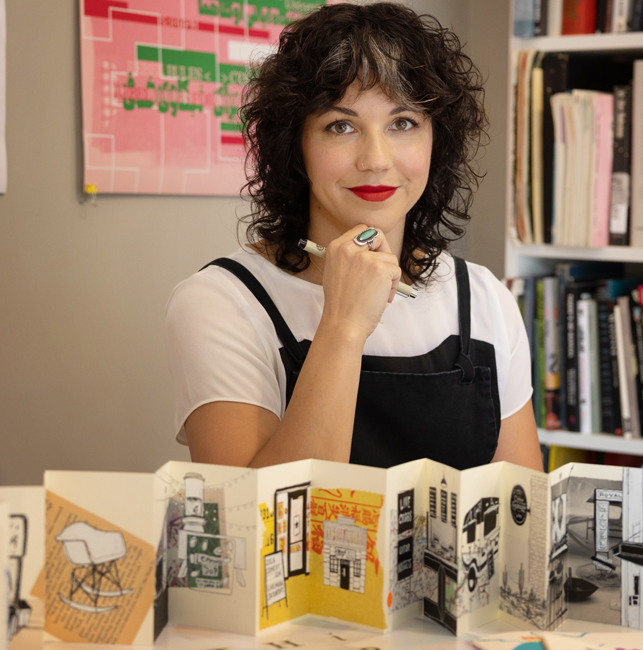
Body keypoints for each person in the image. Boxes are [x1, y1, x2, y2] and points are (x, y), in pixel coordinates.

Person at [165, 2, 541, 471]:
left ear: (435, 142)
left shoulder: (484, 299)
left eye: (403, 123)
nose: (376, 159)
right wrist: (342, 327)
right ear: (295, 147)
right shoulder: (221, 302)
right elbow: (257, 525)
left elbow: (521, 517)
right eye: (341, 126)